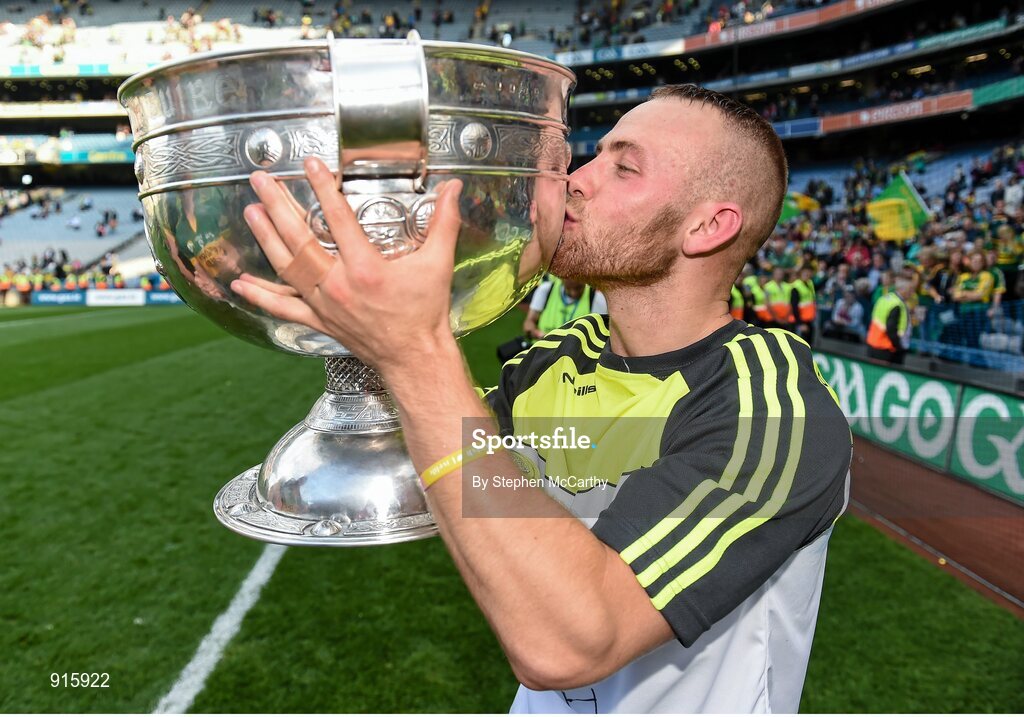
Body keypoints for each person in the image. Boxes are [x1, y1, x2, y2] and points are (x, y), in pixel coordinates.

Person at [232, 84, 852, 713]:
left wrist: (417, 351)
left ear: (708, 226)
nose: (578, 181)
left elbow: (569, 645)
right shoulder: (555, 360)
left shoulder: (772, 407)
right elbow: (429, 469)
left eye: (624, 167)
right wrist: (387, 282)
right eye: (594, 155)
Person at [523, 276, 606, 340]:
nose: (573, 293)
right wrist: (535, 333)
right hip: (541, 350)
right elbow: (529, 321)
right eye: (569, 289)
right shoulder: (545, 290)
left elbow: (599, 336)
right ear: (562, 279)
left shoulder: (596, 298)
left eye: (578, 288)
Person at [865, 276, 914, 364]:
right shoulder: (897, 304)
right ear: (903, 290)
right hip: (886, 349)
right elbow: (891, 329)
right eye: (910, 290)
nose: (912, 293)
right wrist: (898, 347)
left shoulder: (885, 298)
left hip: (873, 344)